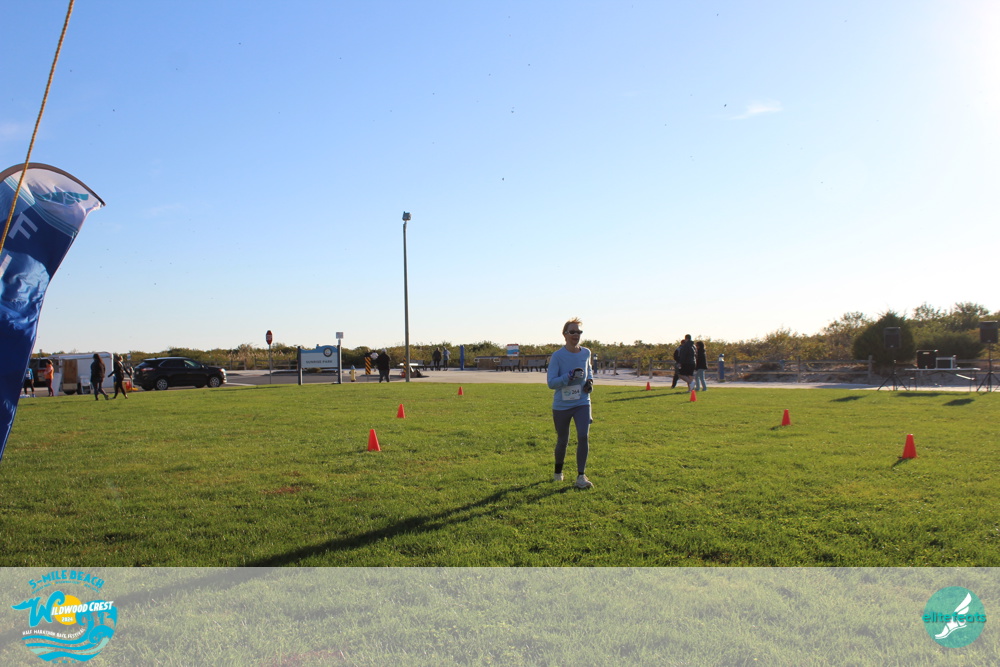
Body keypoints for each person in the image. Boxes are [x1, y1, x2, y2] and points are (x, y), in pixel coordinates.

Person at [546, 318, 595, 489]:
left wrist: (590, 382)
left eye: (579, 332)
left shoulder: (586, 353)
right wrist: (568, 376)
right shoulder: (558, 356)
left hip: (582, 402)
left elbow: (589, 372)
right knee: (562, 440)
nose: (576, 335)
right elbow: (551, 383)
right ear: (565, 334)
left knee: (583, 436)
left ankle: (581, 476)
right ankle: (558, 472)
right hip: (562, 404)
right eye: (572, 332)